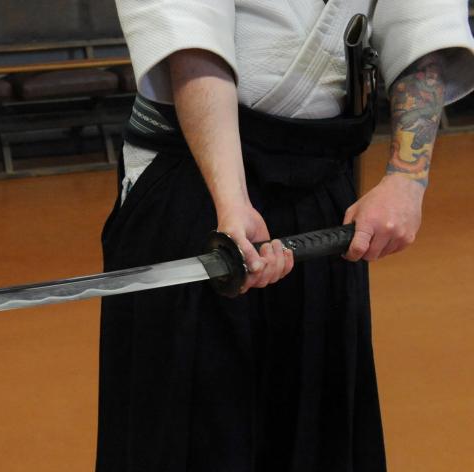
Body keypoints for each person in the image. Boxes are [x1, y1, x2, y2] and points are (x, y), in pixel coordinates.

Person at [97, 1, 474, 470]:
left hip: (324, 186)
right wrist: (231, 199)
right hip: (193, 180)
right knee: (191, 431)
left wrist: (408, 176)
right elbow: (189, 37)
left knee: (319, 426)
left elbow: (423, 19)